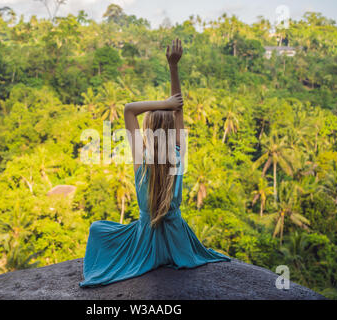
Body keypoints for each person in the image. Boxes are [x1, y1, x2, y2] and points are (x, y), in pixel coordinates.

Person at [79, 38, 230, 288]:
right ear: (173, 130)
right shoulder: (179, 154)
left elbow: (129, 109)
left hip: (145, 243)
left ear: (148, 131)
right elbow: (179, 109)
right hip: (177, 243)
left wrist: (164, 105)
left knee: (97, 228)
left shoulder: (141, 159)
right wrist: (173, 67)